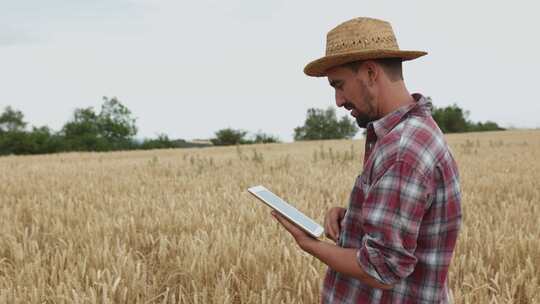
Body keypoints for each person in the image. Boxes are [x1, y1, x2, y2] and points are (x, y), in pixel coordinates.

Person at [271, 17, 462, 303]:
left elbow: (382, 268)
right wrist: (351, 221)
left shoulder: (402, 151)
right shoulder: (411, 132)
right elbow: (403, 224)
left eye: (339, 85)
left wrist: (309, 244)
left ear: (371, 73)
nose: (337, 100)